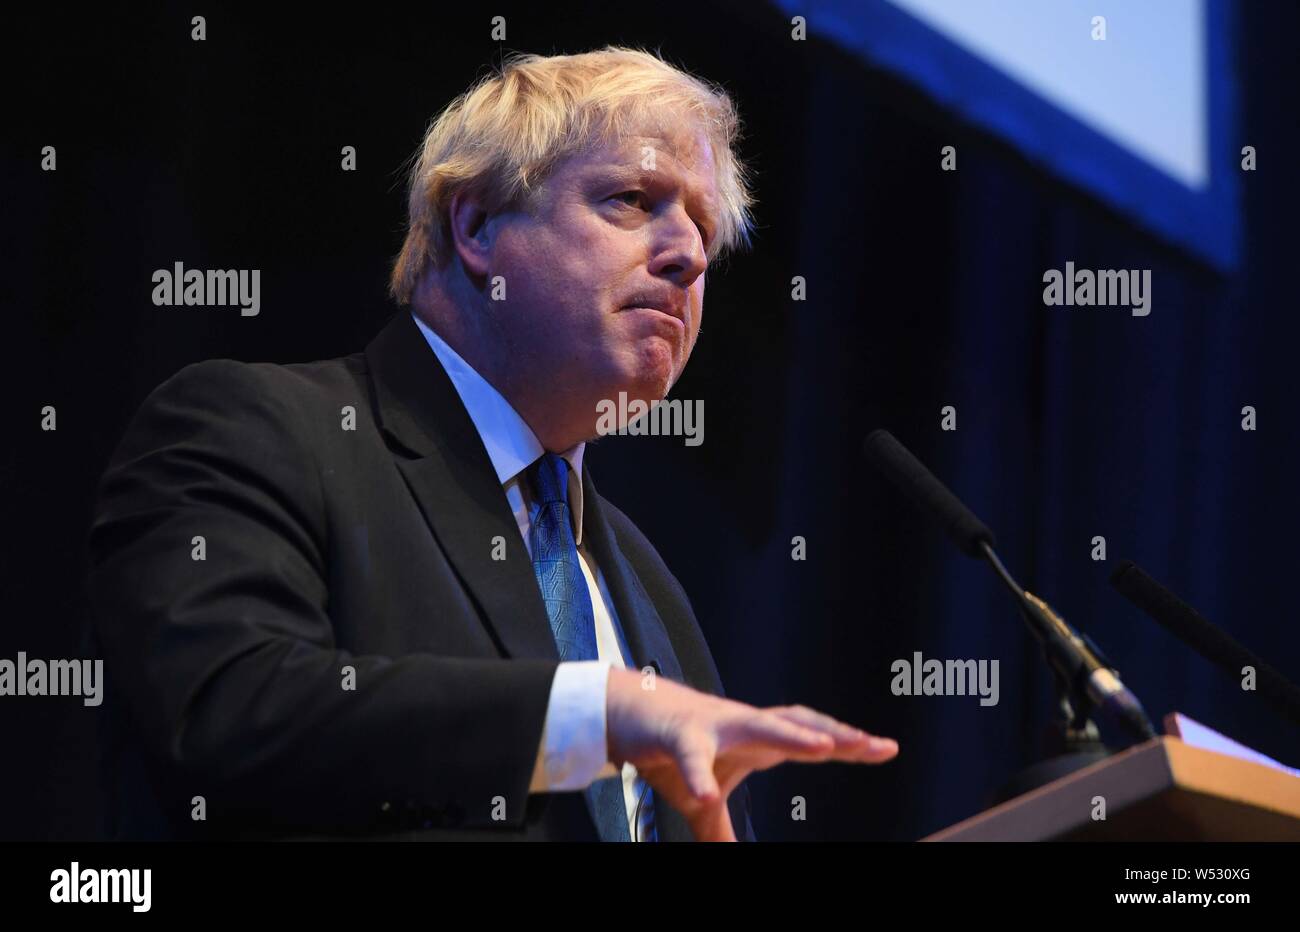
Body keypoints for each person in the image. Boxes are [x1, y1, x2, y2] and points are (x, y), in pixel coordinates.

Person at [87, 46, 898, 842]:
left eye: (701, 224)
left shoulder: (650, 584)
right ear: (475, 226)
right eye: (631, 199)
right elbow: (226, 712)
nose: (688, 254)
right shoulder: (258, 429)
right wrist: (600, 712)